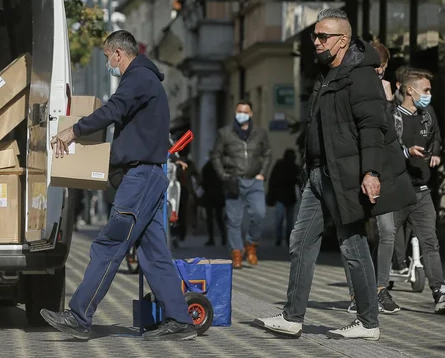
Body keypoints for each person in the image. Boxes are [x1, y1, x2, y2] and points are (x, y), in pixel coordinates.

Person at [254, 8, 415, 340]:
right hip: (318, 174)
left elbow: (372, 126)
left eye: (322, 36)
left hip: (343, 175)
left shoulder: (360, 75)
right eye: (314, 35)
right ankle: (293, 316)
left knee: (352, 245)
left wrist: (370, 171)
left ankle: (368, 322)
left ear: (343, 40)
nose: (316, 41)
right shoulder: (328, 74)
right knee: (300, 242)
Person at [42, 30, 196, 341]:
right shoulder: (147, 79)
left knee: (109, 245)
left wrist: (73, 132)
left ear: (117, 54)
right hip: (149, 176)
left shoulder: (137, 78)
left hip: (140, 178)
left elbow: (113, 110)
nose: (108, 63)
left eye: (106, 57)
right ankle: (180, 320)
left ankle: (80, 316)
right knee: (153, 253)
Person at [390, 68, 445, 314]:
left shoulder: (427, 115)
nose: (429, 94)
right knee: (386, 240)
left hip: (422, 191)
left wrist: (434, 153)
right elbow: (383, 151)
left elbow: (435, 137)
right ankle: (372, 290)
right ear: (410, 90)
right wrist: (405, 152)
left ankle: (440, 294)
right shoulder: (393, 117)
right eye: (426, 90)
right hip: (397, 190)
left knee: (430, 243)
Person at [342, 42, 402, 315]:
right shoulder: (351, 84)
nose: (378, 70)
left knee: (387, 230)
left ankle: (380, 289)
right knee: (354, 232)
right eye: (375, 64)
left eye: (383, 66)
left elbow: (394, 133)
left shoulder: (390, 92)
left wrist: (390, 102)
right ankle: (356, 293)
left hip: (383, 169)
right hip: (356, 169)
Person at [210, 101, 272, 269]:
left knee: (259, 214)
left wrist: (263, 174)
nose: (242, 114)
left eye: (245, 111)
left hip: (254, 180)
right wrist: (224, 175)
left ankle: (251, 245)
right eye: (239, 111)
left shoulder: (260, 133)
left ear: (251, 113)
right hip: (233, 181)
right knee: (234, 220)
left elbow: (267, 154)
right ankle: (236, 253)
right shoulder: (225, 133)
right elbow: (215, 155)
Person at [266, 149, 301, 247]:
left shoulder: (279, 166)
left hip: (281, 197)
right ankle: (287, 239)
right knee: (288, 221)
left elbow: (272, 182)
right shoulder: (294, 168)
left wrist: (271, 196)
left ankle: (279, 239)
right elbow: (299, 182)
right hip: (289, 197)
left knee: (280, 219)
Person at [200, 157, 226, 246]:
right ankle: (223, 238)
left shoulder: (207, 167)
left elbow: (203, 182)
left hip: (210, 195)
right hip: (218, 195)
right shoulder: (221, 166)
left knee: (210, 219)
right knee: (219, 218)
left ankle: (212, 239)